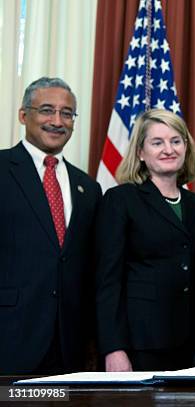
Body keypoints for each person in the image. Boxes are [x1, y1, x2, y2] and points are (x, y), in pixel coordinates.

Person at [0, 77, 102, 374]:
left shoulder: (88, 187)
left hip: (69, 343)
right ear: (23, 115)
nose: (57, 121)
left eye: (67, 113)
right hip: (10, 336)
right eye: (46, 110)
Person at [96, 109, 195, 371]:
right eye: (157, 142)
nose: (168, 149)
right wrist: (114, 348)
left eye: (176, 141)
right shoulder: (121, 200)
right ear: (141, 153)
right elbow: (107, 281)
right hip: (139, 343)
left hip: (191, 342)